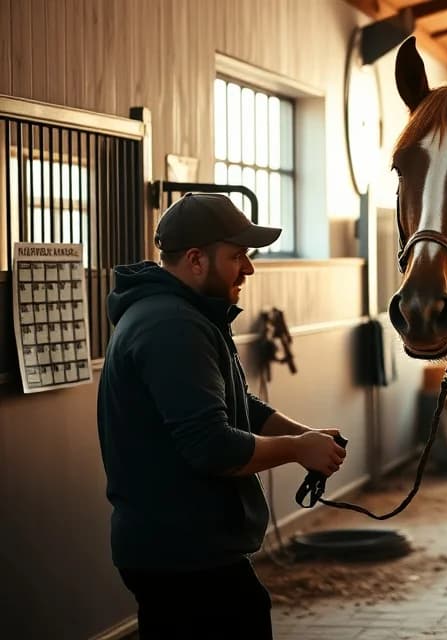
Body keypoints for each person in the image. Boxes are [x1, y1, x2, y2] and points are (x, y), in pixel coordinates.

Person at [97, 193, 347, 639]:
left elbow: (240, 407)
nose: (248, 269)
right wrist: (296, 450)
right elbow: (211, 447)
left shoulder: (186, 315)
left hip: (184, 549)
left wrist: (305, 436)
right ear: (195, 259)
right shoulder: (172, 327)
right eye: (237, 256)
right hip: (184, 555)